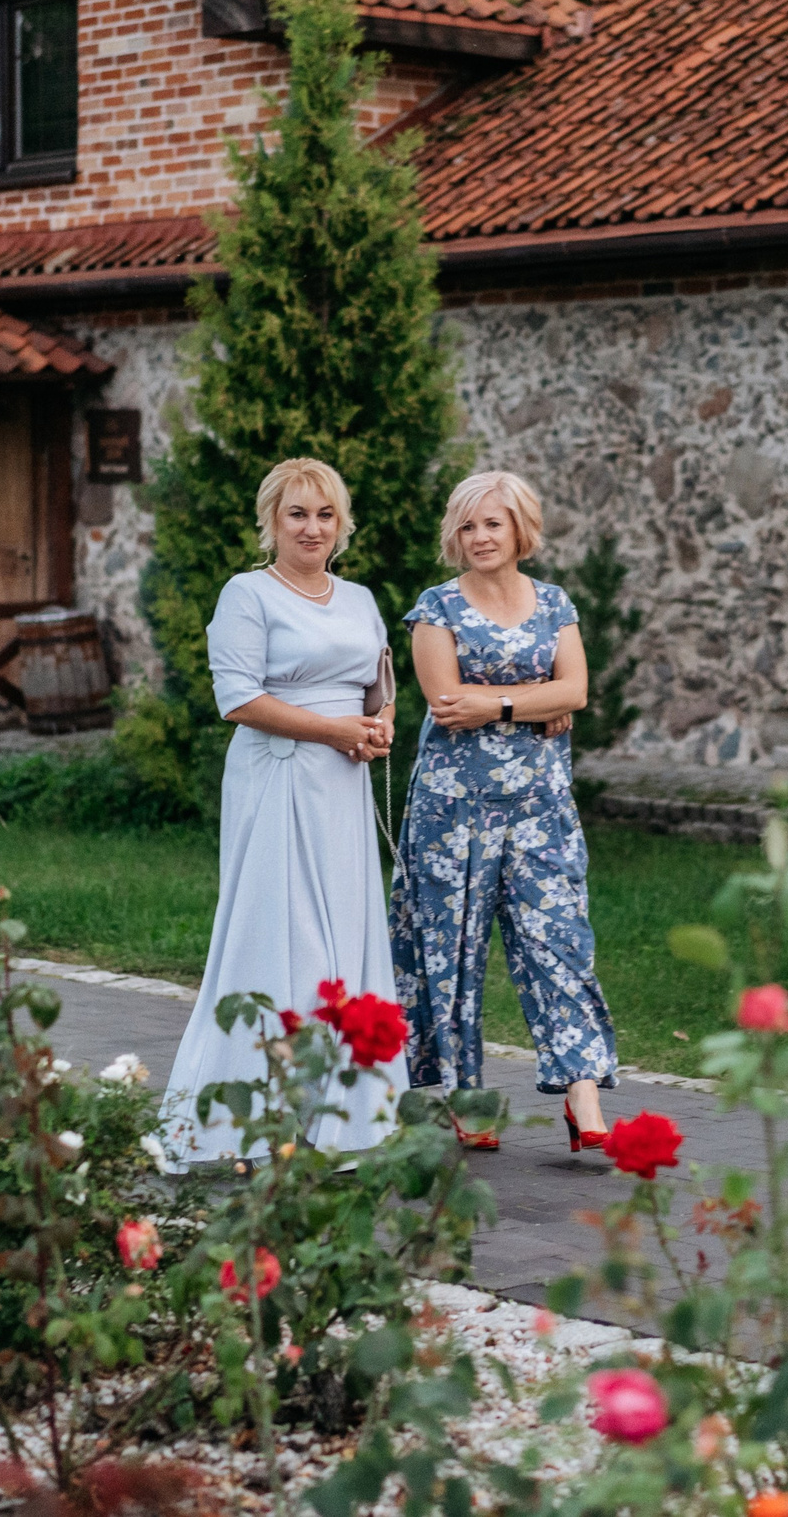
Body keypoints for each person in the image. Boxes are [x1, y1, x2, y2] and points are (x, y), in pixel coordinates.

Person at [158, 458, 403, 1165]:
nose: (312, 527)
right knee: (281, 937)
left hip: (344, 790)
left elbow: (375, 688)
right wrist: (335, 732)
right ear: (272, 521)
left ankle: (346, 1120)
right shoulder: (247, 595)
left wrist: (379, 724)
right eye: (297, 513)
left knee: (344, 939)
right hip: (279, 781)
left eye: (325, 515)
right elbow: (236, 699)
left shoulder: (358, 599)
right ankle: (255, 1123)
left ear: (341, 524)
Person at [391, 469, 620, 1155]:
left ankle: (583, 1092)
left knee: (560, 943)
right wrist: (532, 698)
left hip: (541, 807)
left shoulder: (555, 603)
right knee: (451, 955)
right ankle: (468, 1096)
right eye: (467, 526)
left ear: (521, 528)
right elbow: (446, 703)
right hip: (451, 812)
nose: (480, 536)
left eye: (492, 523)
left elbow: (576, 690)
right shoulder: (436, 609)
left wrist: (506, 702)